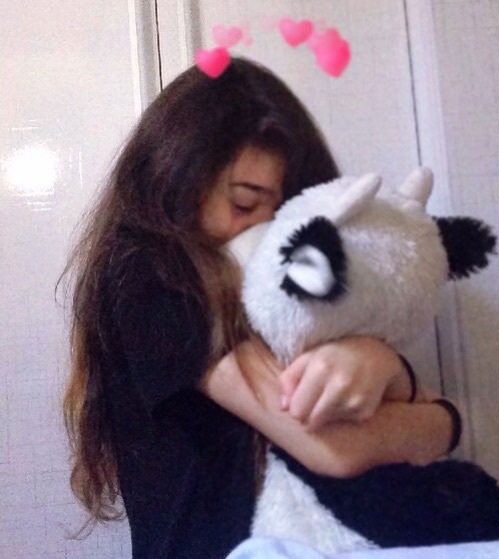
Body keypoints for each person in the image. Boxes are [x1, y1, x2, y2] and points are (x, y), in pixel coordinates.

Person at [60, 57, 455, 559]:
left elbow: (431, 419)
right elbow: (335, 449)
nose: (266, 231)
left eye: (286, 211)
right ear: (180, 180)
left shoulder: (289, 292)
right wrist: (429, 405)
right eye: (245, 204)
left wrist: (385, 368)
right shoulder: (149, 275)